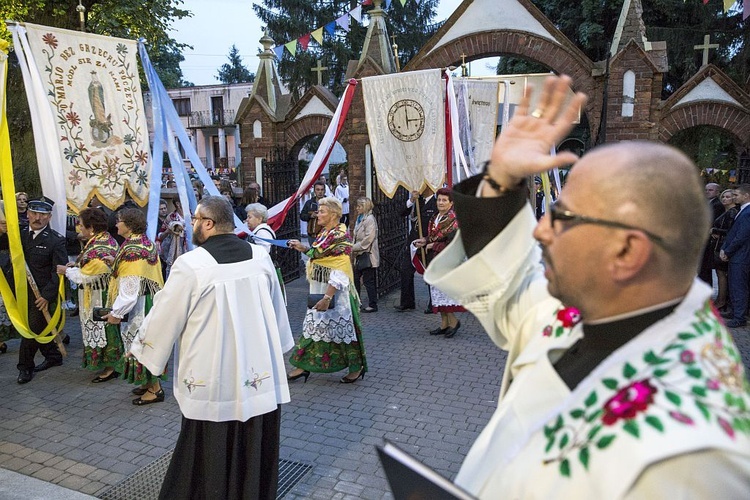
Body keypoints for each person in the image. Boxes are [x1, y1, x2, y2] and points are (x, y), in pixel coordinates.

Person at [425, 75, 750, 498]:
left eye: (562, 216)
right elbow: (512, 291)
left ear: (627, 252)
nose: (540, 231)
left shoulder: (689, 459)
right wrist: (500, 182)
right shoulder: (608, 301)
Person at [130, 196, 293, 500]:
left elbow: (166, 313)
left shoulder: (192, 265)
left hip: (213, 375)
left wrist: (143, 347)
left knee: (208, 447)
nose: (191, 224)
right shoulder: (260, 258)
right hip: (258, 373)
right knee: (252, 442)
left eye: (194, 219)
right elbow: (277, 310)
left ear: (208, 223)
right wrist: (279, 347)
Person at [286, 197, 368, 384]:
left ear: (333, 214)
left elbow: (339, 267)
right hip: (321, 286)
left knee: (342, 329)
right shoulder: (325, 232)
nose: (318, 214)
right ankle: (303, 366)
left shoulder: (341, 236)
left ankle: (356, 367)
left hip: (335, 292)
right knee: (315, 326)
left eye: (322, 211)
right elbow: (318, 254)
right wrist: (302, 248)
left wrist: (327, 297)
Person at [0, 196, 66, 384]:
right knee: (38, 327)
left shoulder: (55, 241)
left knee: (30, 330)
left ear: (49, 217)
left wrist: (47, 296)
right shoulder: (17, 233)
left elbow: (58, 272)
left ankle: (24, 367)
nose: (37, 218)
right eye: (34, 213)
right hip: (19, 291)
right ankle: (53, 356)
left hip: (40, 294)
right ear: (27, 214)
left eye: (42, 214)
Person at [104, 208, 165, 404]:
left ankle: (155, 389)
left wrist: (117, 312)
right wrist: (116, 262)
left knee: (141, 344)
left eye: (119, 221)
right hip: (148, 300)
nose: (116, 224)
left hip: (138, 304)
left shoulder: (132, 251)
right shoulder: (143, 243)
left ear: (128, 225)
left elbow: (130, 289)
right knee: (144, 342)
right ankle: (148, 384)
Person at [58, 208, 121, 382]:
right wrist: (76, 265)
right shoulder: (102, 239)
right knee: (102, 329)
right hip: (97, 292)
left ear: (91, 227)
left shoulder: (101, 247)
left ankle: (111, 367)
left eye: (81, 224)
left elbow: (87, 276)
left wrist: (67, 271)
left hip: (99, 295)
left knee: (104, 330)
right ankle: (110, 365)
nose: (79, 228)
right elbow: (87, 264)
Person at [414, 187, 463, 337]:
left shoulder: (454, 220)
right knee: (437, 293)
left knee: (445, 294)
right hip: (434, 260)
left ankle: (454, 322)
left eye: (444, 200)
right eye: (439, 199)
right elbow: (433, 236)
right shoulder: (435, 217)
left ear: (451, 203)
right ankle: (444, 324)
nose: (440, 202)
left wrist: (432, 245)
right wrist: (424, 241)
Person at [394, 187, 437, 312]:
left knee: (430, 273)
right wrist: (411, 200)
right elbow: (401, 213)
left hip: (426, 242)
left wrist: (428, 239)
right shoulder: (417, 202)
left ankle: (433, 303)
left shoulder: (435, 203)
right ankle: (407, 302)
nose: (421, 189)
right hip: (413, 242)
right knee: (405, 270)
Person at [719, 184, 750, 328]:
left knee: (739, 287)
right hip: (738, 255)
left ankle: (740, 317)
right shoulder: (742, 210)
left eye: (736, 195)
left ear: (746, 195)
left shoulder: (748, 212)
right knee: (734, 285)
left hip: (741, 256)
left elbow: (741, 236)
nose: (734, 197)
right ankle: (735, 311)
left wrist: (728, 251)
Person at [710, 189, 738, 311]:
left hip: (723, 246)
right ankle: (721, 299)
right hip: (717, 245)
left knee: (722, 274)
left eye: (728, 197)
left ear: (733, 199)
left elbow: (732, 231)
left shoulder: (732, 212)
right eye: (723, 197)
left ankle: (722, 301)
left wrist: (715, 231)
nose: (724, 199)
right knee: (719, 273)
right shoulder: (726, 211)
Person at [352, 197, 379, 313]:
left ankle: (373, 304)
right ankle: (357, 302)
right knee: (356, 279)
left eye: (359, 206)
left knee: (368, 281)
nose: (357, 208)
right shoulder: (360, 218)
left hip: (367, 254)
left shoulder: (370, 219)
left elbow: (369, 238)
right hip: (359, 253)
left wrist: (354, 247)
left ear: (365, 207)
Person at [699, 182, 725, 284]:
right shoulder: (708, 203)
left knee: (705, 267)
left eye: (711, 190)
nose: (707, 192)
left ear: (718, 192)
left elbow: (711, 222)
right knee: (703, 266)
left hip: (710, 241)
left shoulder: (717, 205)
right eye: (706, 190)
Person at [300, 181, 327, 246]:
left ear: (324, 191)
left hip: (325, 235)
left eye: (322, 190)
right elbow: (302, 216)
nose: (320, 192)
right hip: (312, 235)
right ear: (314, 191)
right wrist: (310, 216)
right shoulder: (309, 203)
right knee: (313, 254)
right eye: (318, 190)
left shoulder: (329, 203)